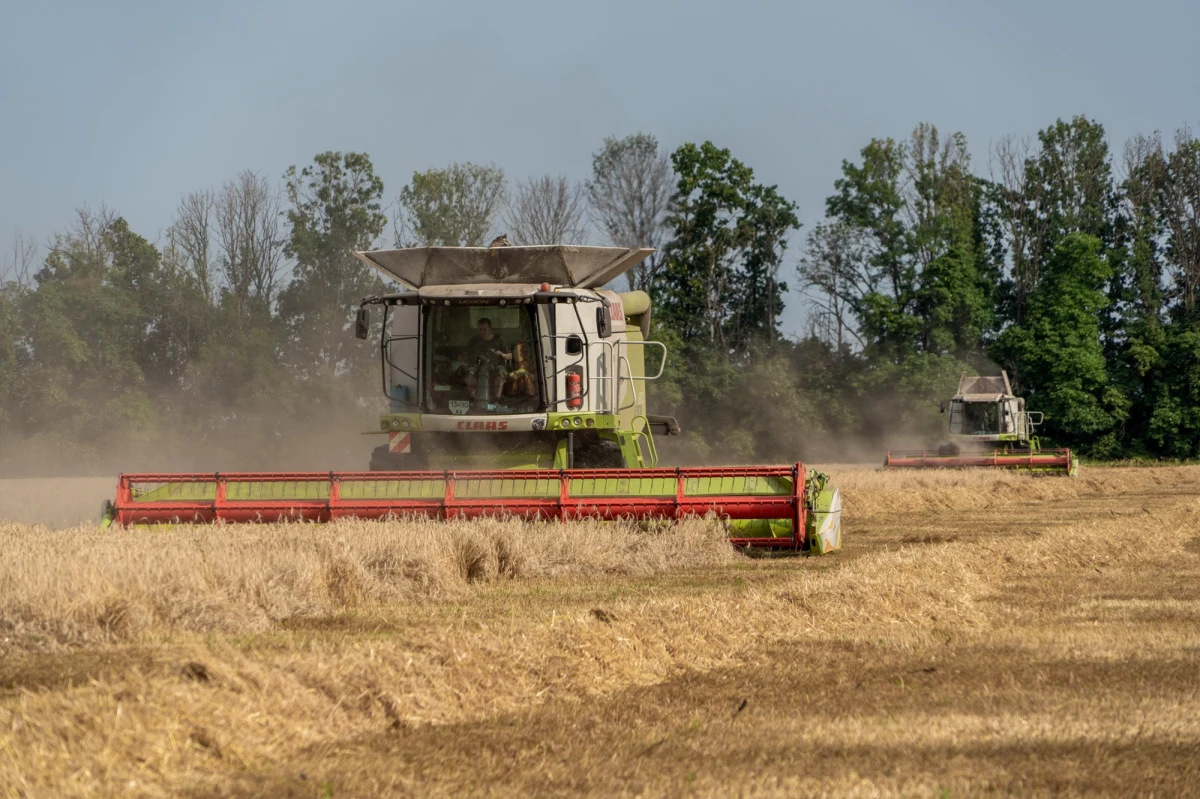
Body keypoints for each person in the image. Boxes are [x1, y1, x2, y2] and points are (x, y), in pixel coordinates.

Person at [466, 318, 511, 400]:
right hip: (478, 366)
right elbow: (467, 356)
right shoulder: (474, 341)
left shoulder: (498, 339)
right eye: (480, 329)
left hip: (495, 366)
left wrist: (502, 354)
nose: (482, 332)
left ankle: (496, 400)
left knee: (500, 376)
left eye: (484, 329)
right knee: (470, 377)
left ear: (490, 329)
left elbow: (510, 355)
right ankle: (473, 399)